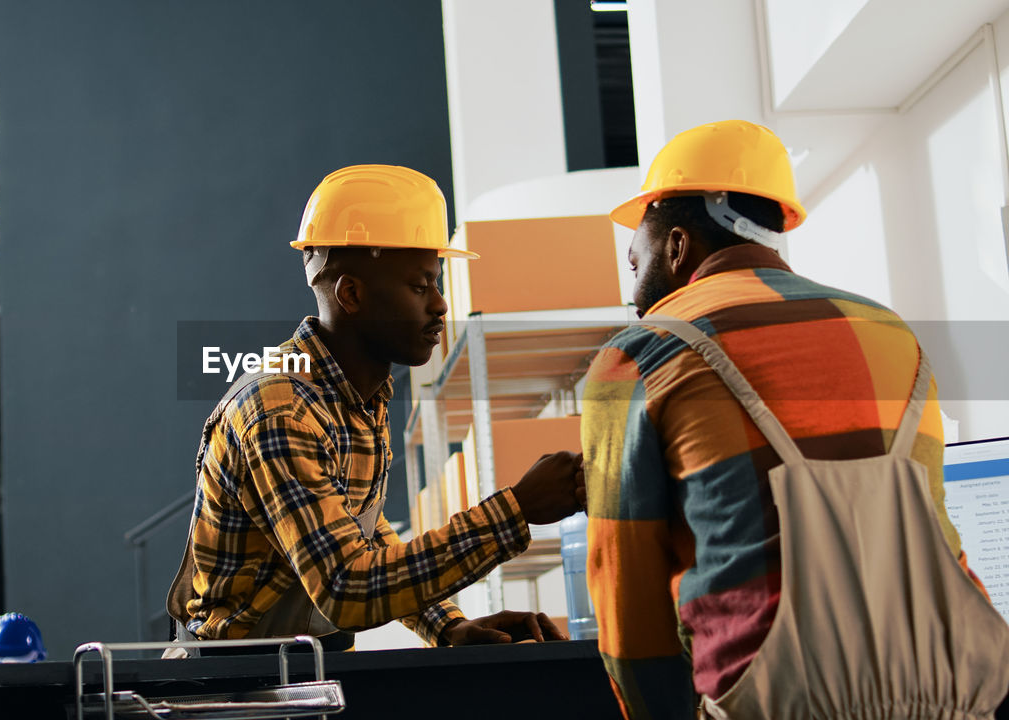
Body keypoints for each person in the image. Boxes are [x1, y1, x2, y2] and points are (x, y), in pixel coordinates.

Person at [580, 120, 1009, 719]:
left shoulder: (638, 356)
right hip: (952, 691)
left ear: (677, 247)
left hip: (773, 700)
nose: (634, 292)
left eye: (636, 263)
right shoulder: (891, 332)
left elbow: (629, 610)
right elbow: (935, 527)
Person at [166, 164, 584, 653]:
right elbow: (347, 588)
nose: (441, 305)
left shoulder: (359, 398)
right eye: (419, 285)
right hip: (235, 686)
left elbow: (360, 533)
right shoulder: (280, 411)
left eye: (437, 282)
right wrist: (517, 510)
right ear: (352, 294)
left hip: (299, 670)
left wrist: (449, 627)